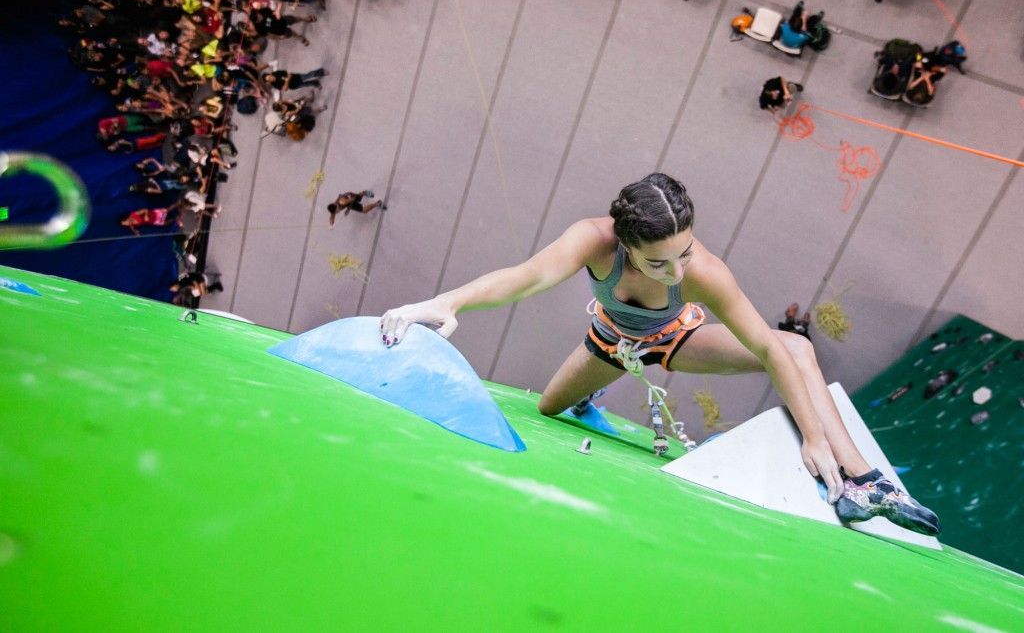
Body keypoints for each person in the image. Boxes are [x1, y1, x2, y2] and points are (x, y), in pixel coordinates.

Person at [379, 173, 941, 536]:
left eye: (685, 254)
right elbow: (525, 278)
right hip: (611, 341)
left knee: (795, 346)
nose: (677, 272)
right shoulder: (593, 240)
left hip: (676, 339)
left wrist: (815, 438)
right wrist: (446, 301)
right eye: (659, 263)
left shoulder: (704, 275)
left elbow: (768, 347)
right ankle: (593, 392)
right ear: (624, 244)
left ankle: (865, 482)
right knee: (551, 406)